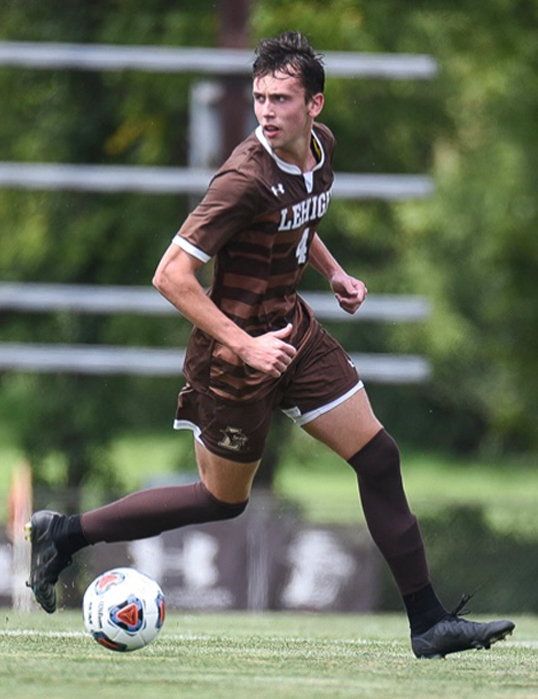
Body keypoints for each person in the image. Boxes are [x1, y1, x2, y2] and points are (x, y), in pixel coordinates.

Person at [26, 31, 514, 658]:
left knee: (378, 457)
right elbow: (170, 275)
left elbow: (300, 220)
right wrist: (246, 347)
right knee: (221, 501)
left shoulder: (319, 150)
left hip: (296, 334)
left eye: (281, 98)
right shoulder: (242, 178)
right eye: (260, 97)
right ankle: (65, 533)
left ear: (315, 105)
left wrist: (333, 272)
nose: (266, 111)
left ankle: (429, 623)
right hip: (232, 361)